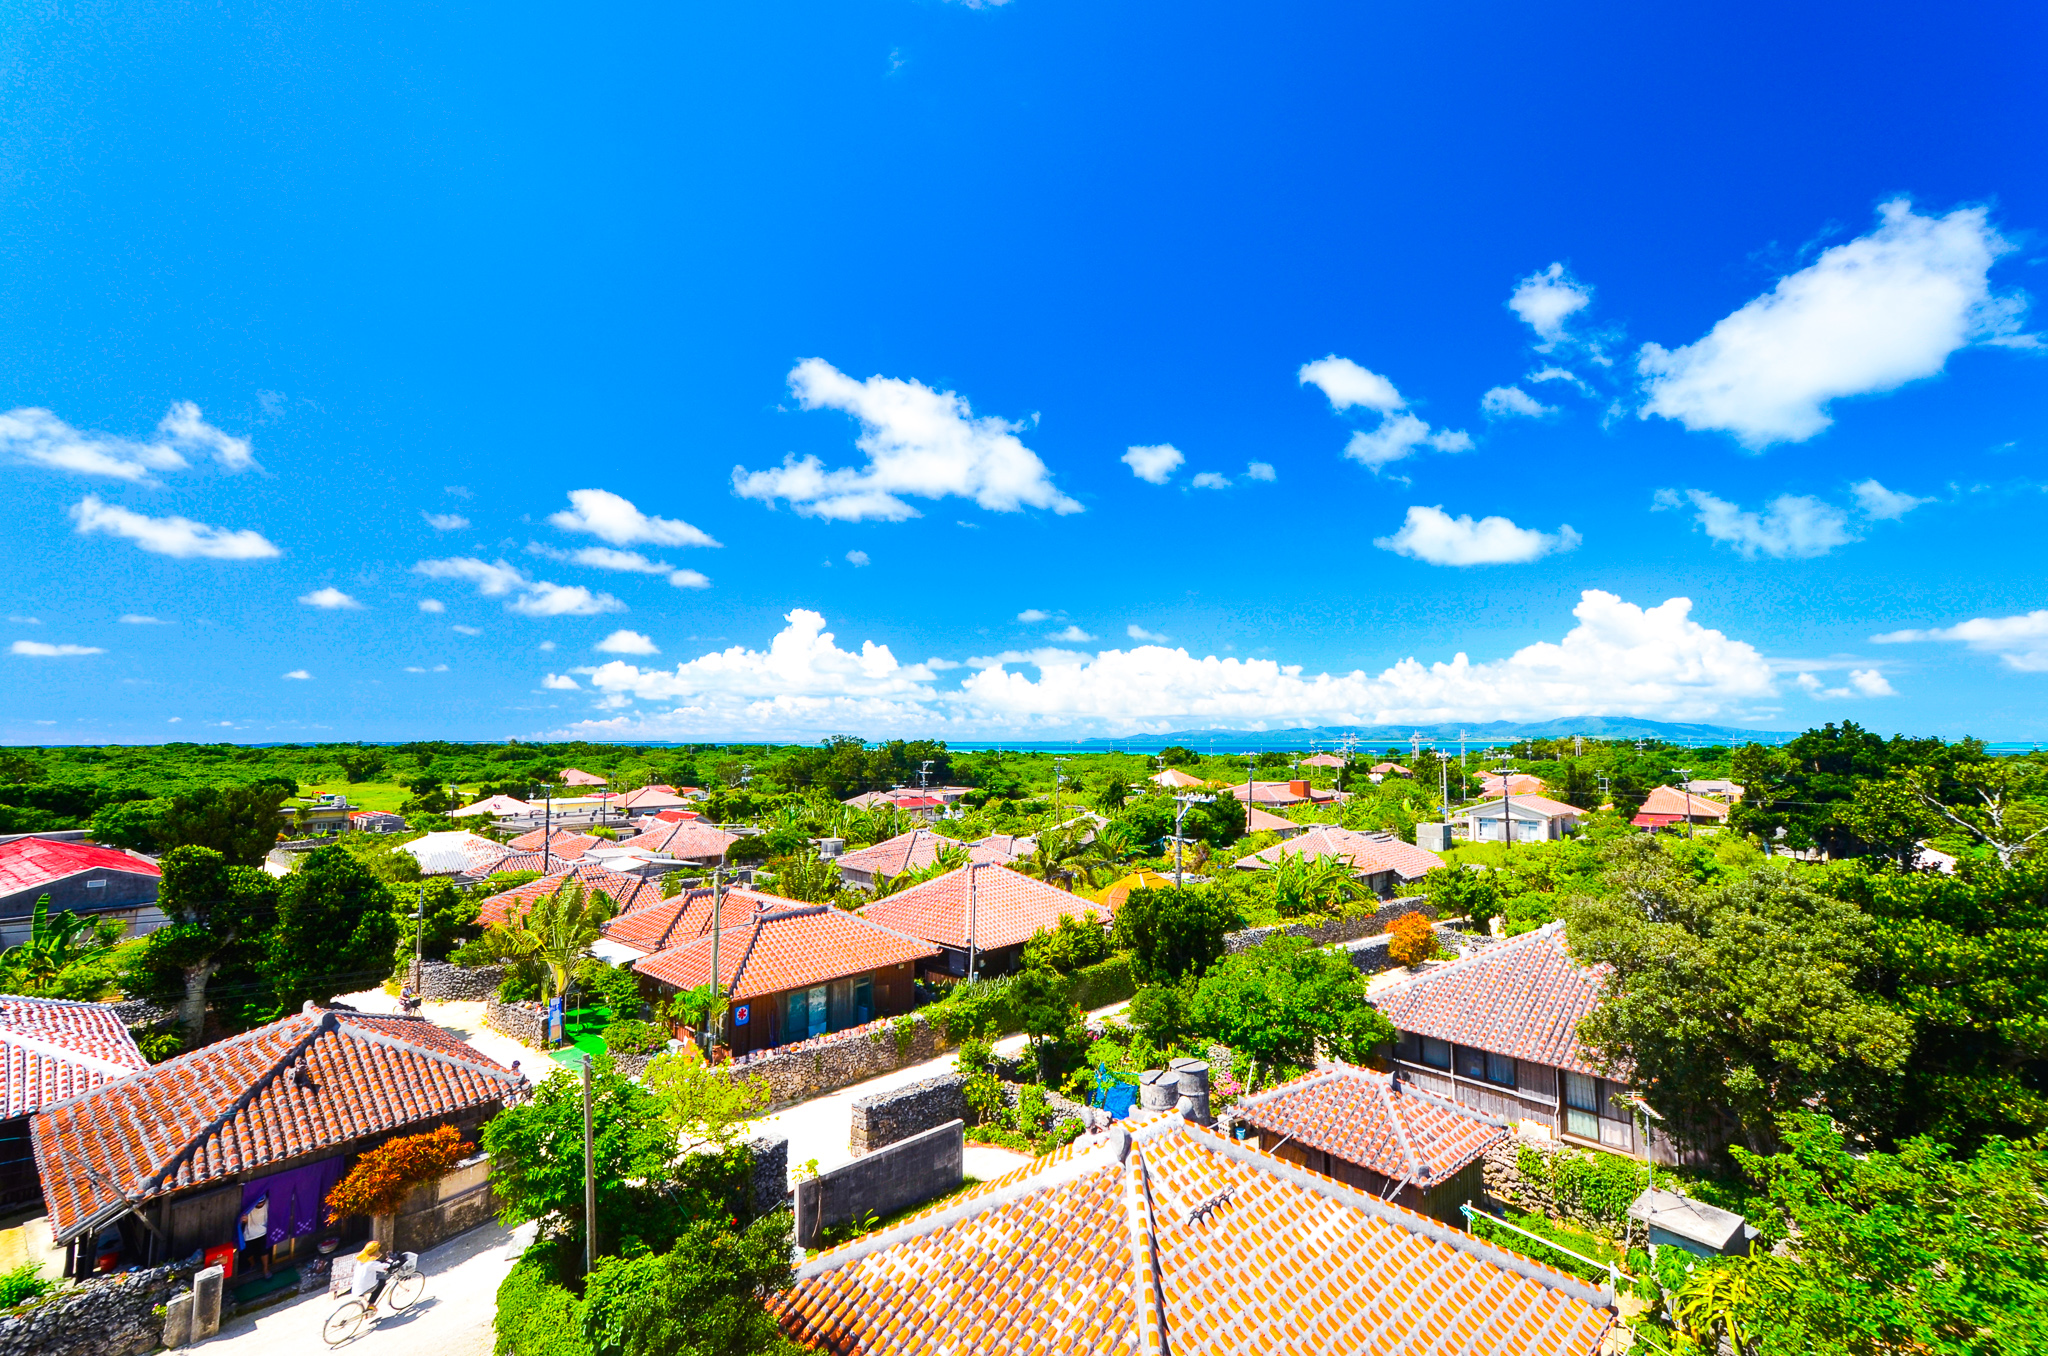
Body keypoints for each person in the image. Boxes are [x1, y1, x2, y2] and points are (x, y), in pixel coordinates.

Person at [351, 1240, 392, 1314]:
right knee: (382, 1282)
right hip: (364, 1288)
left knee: (375, 1279)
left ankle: (368, 1309)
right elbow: (386, 1267)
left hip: (356, 1287)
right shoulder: (371, 1264)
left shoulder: (360, 1261)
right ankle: (371, 1304)